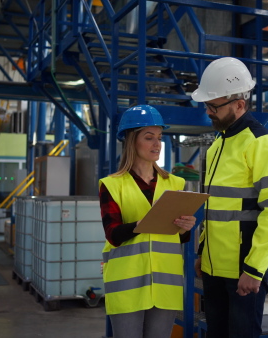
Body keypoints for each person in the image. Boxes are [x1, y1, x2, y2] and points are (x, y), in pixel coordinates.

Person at [191, 57, 268, 338]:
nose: (209, 112)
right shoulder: (217, 147)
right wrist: (202, 252)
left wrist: (254, 268)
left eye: (214, 106)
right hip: (212, 268)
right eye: (207, 105)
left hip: (243, 269)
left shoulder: (263, 144)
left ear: (239, 104)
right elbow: (214, 208)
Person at [98, 104, 197, 338]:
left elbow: (179, 237)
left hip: (165, 284)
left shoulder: (176, 184)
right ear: (132, 141)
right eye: (149, 137)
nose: (157, 144)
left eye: (160, 138)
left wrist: (186, 228)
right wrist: (143, 223)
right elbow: (112, 233)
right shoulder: (112, 185)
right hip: (127, 285)